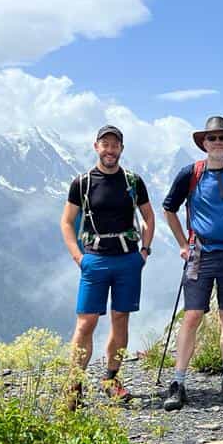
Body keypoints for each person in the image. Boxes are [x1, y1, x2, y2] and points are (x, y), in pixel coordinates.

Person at [161, 116, 223, 411]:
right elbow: (169, 208)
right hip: (200, 253)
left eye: (222, 138)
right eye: (211, 138)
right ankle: (178, 381)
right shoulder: (191, 173)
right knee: (192, 316)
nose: (217, 143)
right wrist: (181, 245)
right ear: (204, 143)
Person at [60, 125, 156, 403]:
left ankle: (111, 379)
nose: (110, 150)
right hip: (95, 259)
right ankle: (74, 385)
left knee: (120, 319)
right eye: (105, 144)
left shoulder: (133, 181)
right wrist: (77, 256)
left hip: (128, 259)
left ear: (121, 149)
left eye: (115, 145)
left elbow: (149, 217)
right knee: (86, 321)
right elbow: (67, 221)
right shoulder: (83, 182)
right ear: (96, 147)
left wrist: (145, 251)